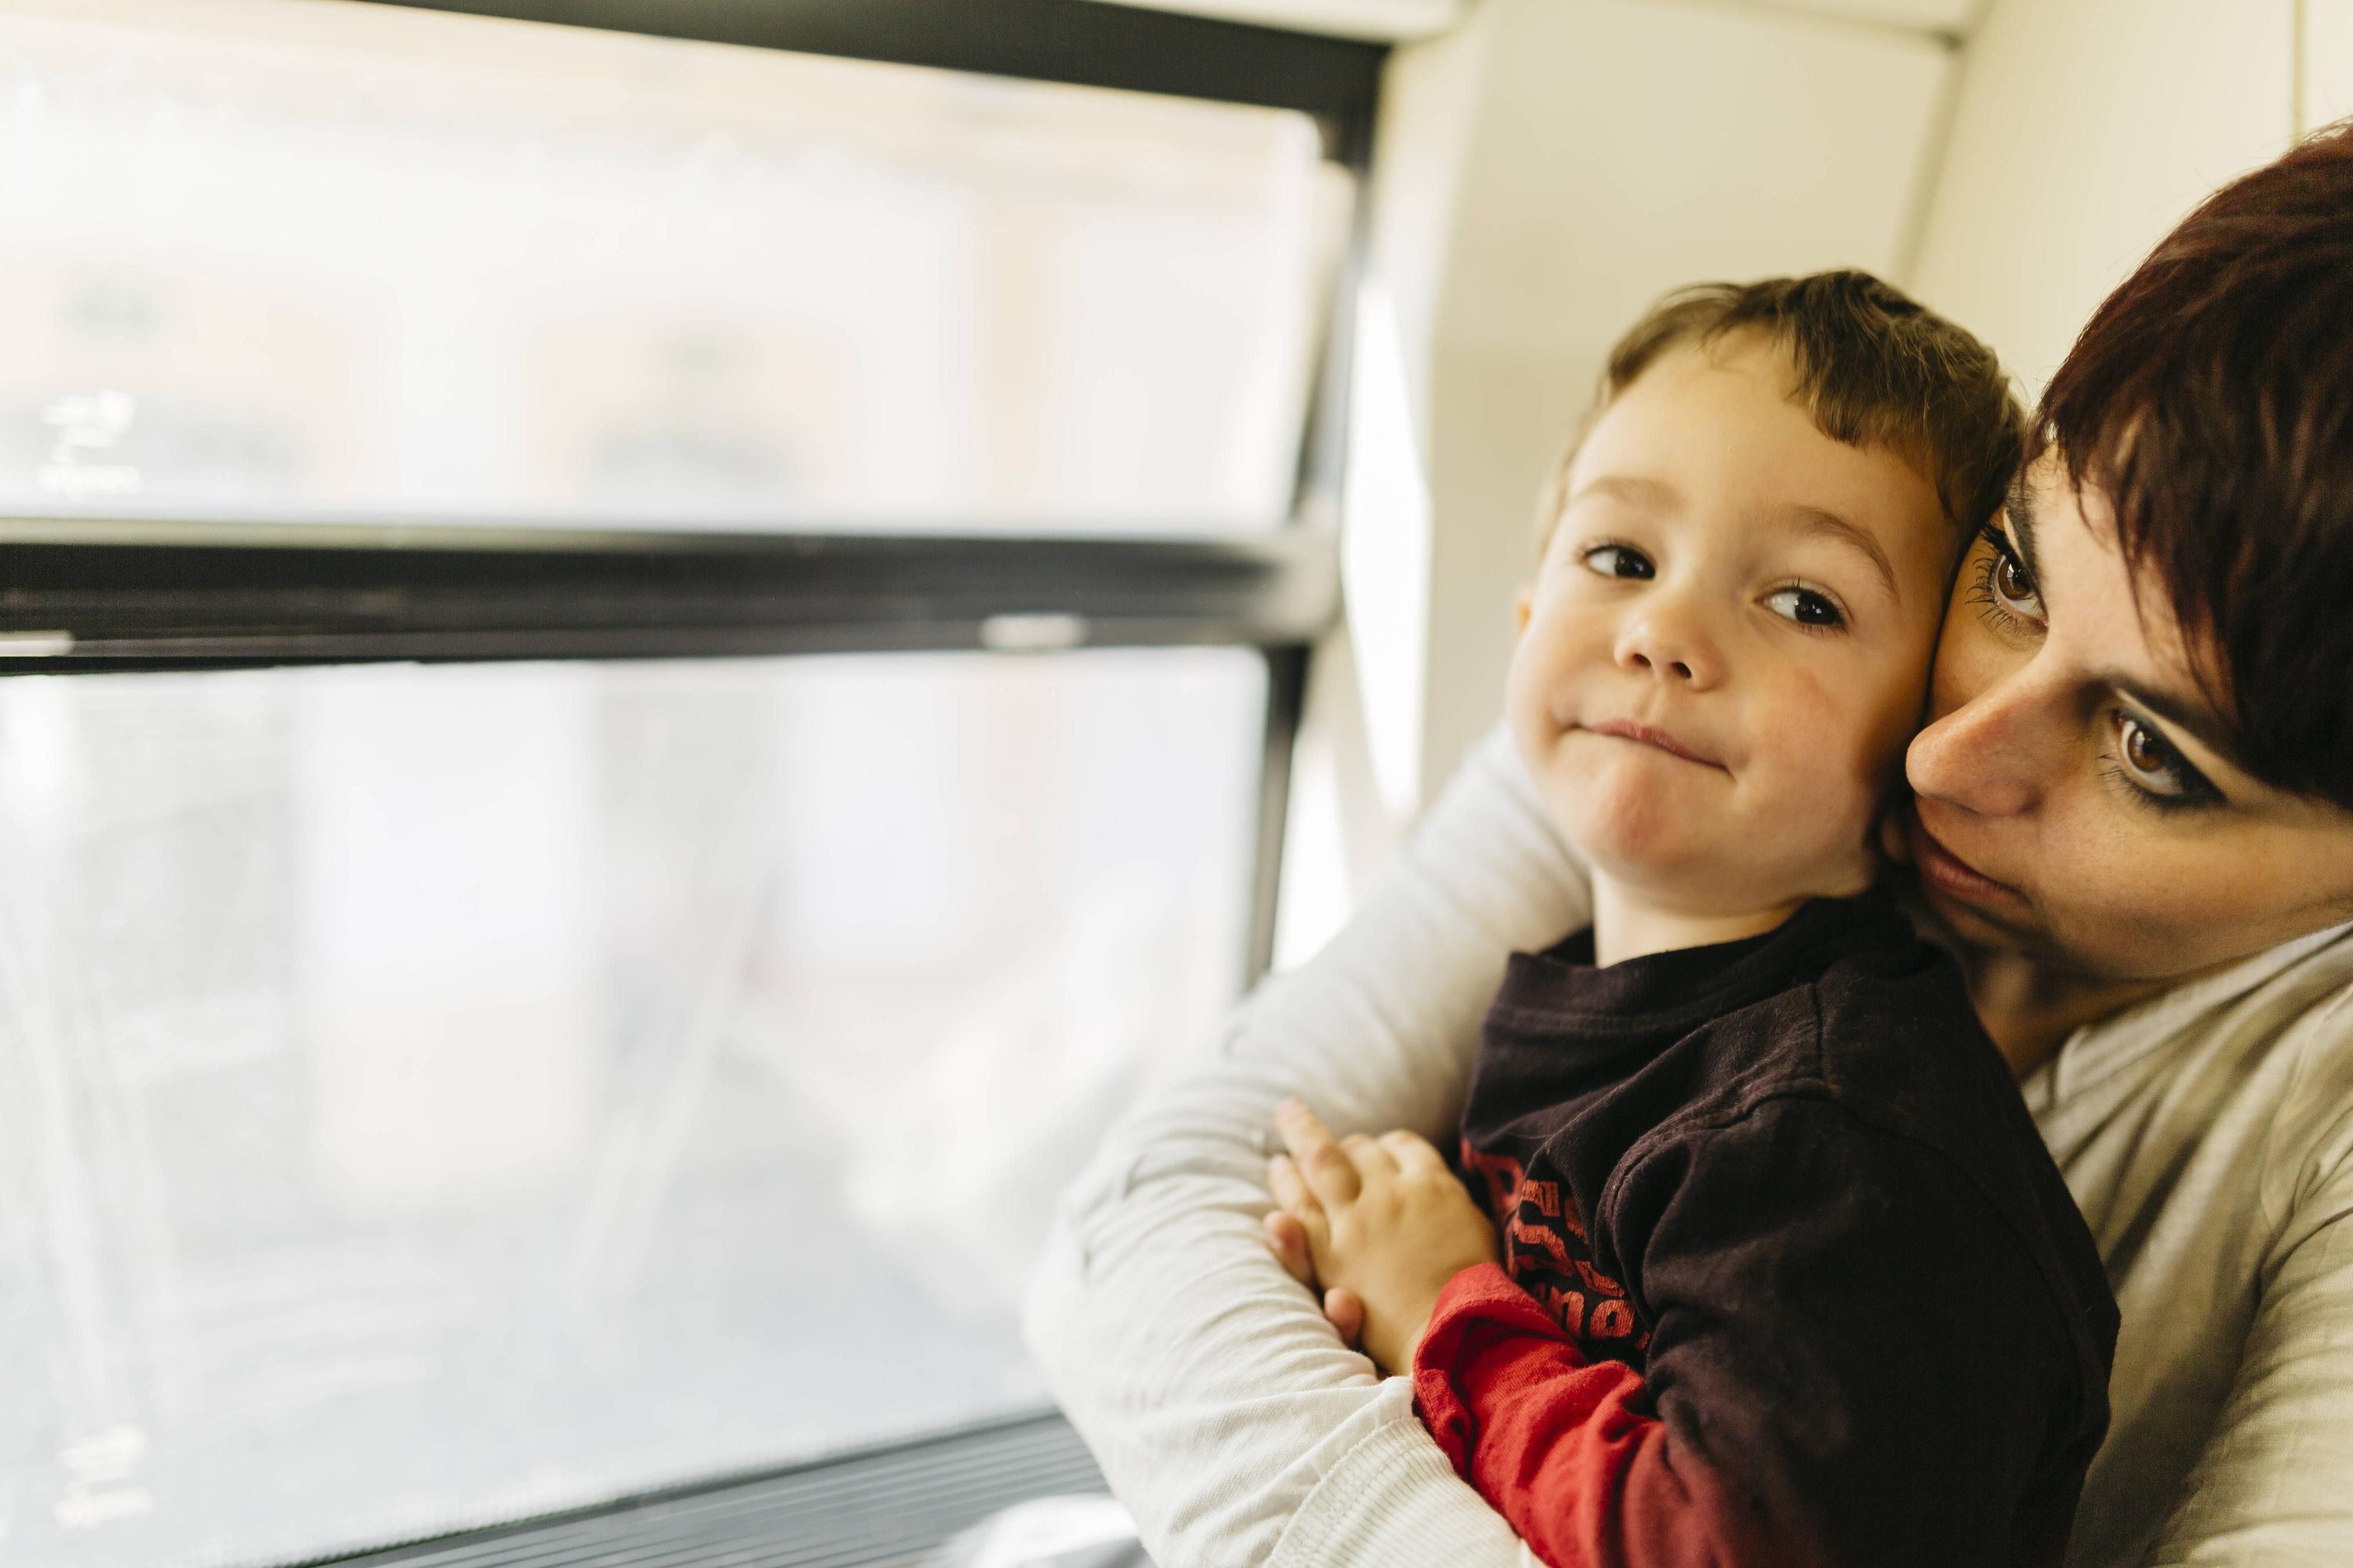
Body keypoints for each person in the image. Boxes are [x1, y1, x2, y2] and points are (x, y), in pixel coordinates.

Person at [1026, 121, 2353, 1567]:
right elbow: (1143, 1224)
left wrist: (1445, 1324)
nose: (1937, 756)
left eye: (2151, 753)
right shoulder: (1662, 762)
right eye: (2015, 578)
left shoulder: (1856, 1096)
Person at [1255, 271, 2115, 1568]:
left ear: (1922, 738)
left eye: (1801, 601)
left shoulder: (1837, 1140)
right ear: (1527, 619)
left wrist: (1443, 1302)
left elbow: (1716, 1544)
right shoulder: (1575, 989)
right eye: (1620, 558)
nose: (1662, 630)